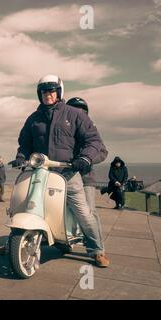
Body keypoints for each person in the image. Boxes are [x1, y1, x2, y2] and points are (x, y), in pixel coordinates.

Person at [8, 74, 109, 268]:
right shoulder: (34, 118)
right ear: (39, 94)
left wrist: (84, 158)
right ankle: (14, 241)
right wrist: (22, 156)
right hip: (40, 172)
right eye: (44, 91)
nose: (48, 95)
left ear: (59, 92)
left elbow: (93, 140)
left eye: (52, 90)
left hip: (68, 173)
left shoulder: (74, 114)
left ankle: (97, 251)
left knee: (84, 213)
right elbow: (24, 143)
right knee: (24, 204)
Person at [67, 97, 108, 250]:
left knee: (89, 212)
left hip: (85, 177)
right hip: (63, 174)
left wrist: (86, 159)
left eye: (82, 110)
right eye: (75, 109)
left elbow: (102, 151)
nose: (79, 113)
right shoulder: (64, 127)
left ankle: (97, 249)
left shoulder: (90, 127)